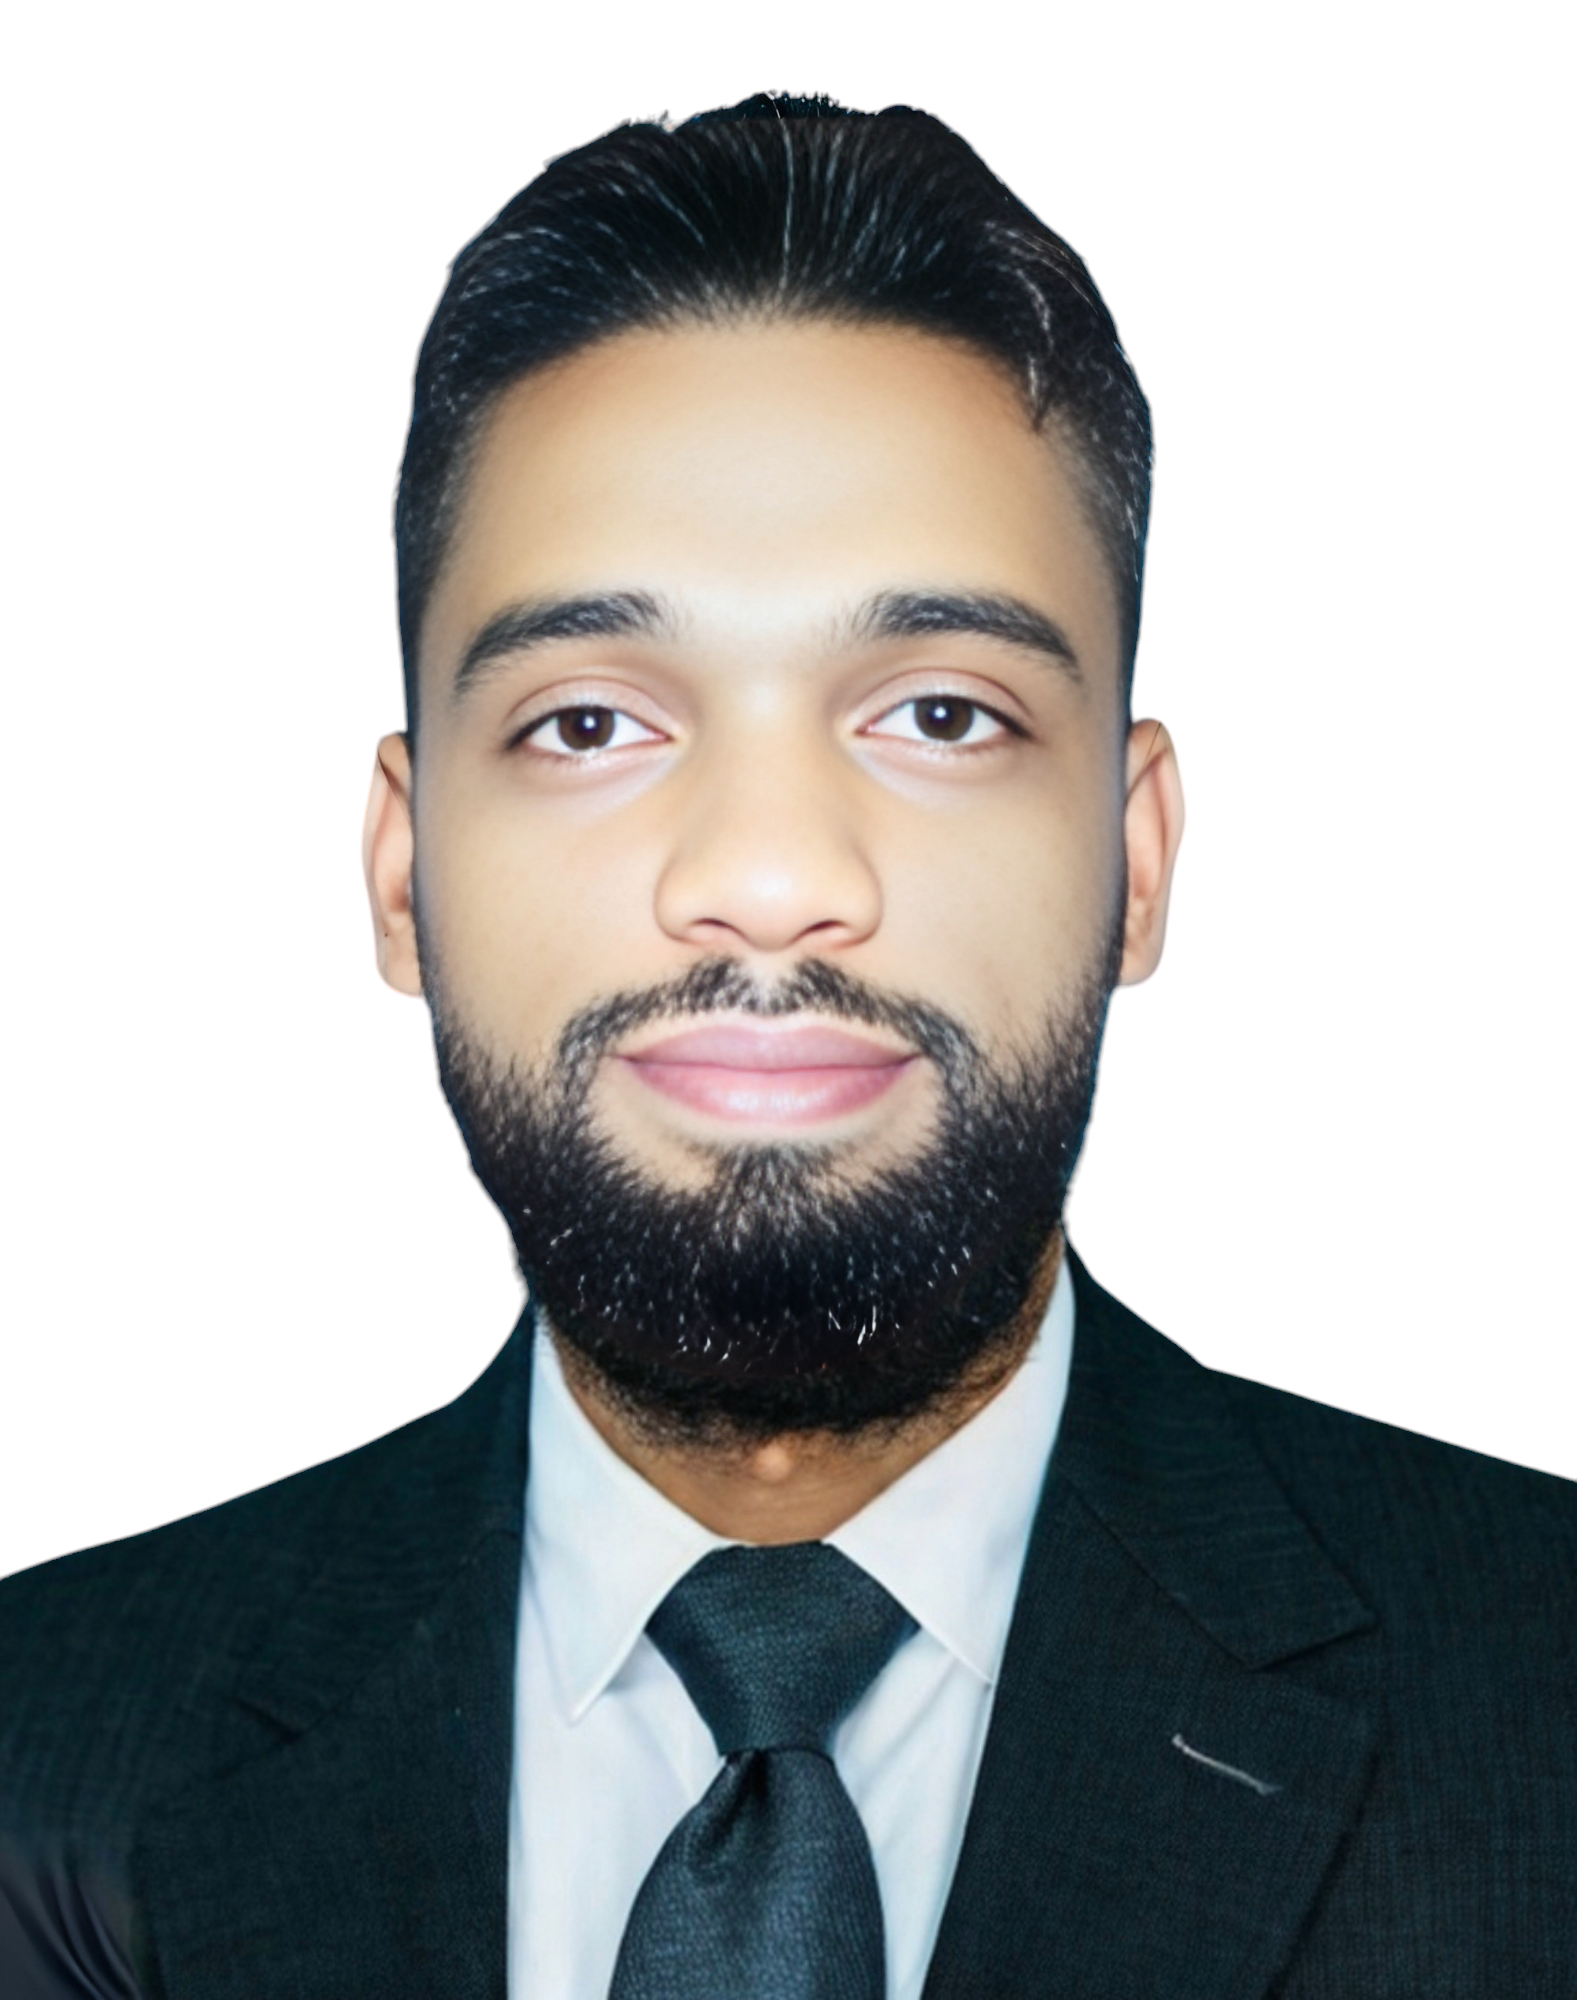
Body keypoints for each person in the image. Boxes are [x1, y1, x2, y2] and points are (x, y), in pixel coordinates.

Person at [2, 90, 1573, 2000]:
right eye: (589, 724)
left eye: (941, 714)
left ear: (1137, 859)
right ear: (405, 876)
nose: (766, 877)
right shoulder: (40, 1752)